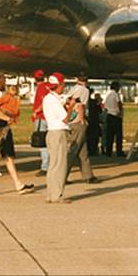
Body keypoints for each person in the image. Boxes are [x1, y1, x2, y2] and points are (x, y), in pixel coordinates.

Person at [43, 72, 74, 203]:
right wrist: (71, 107)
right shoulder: (54, 100)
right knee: (60, 165)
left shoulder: (48, 98)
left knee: (53, 165)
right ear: (60, 85)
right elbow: (66, 119)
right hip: (59, 133)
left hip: (51, 132)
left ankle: (51, 194)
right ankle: (57, 195)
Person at [66, 76, 99, 183]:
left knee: (83, 150)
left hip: (71, 119)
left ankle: (88, 175)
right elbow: (81, 105)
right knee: (73, 150)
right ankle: (62, 175)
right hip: (78, 121)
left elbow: (68, 102)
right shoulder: (84, 90)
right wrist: (82, 119)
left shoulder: (73, 88)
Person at [30, 69, 50, 176]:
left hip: (41, 117)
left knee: (43, 144)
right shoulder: (47, 87)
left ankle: (45, 167)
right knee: (49, 142)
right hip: (49, 118)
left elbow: (44, 102)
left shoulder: (41, 88)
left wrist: (36, 111)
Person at [104, 81, 125, 157]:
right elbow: (119, 103)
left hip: (109, 115)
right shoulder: (116, 94)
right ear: (116, 87)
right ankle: (119, 151)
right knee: (118, 135)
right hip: (116, 116)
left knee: (109, 135)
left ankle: (108, 152)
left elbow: (105, 106)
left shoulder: (108, 95)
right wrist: (120, 112)